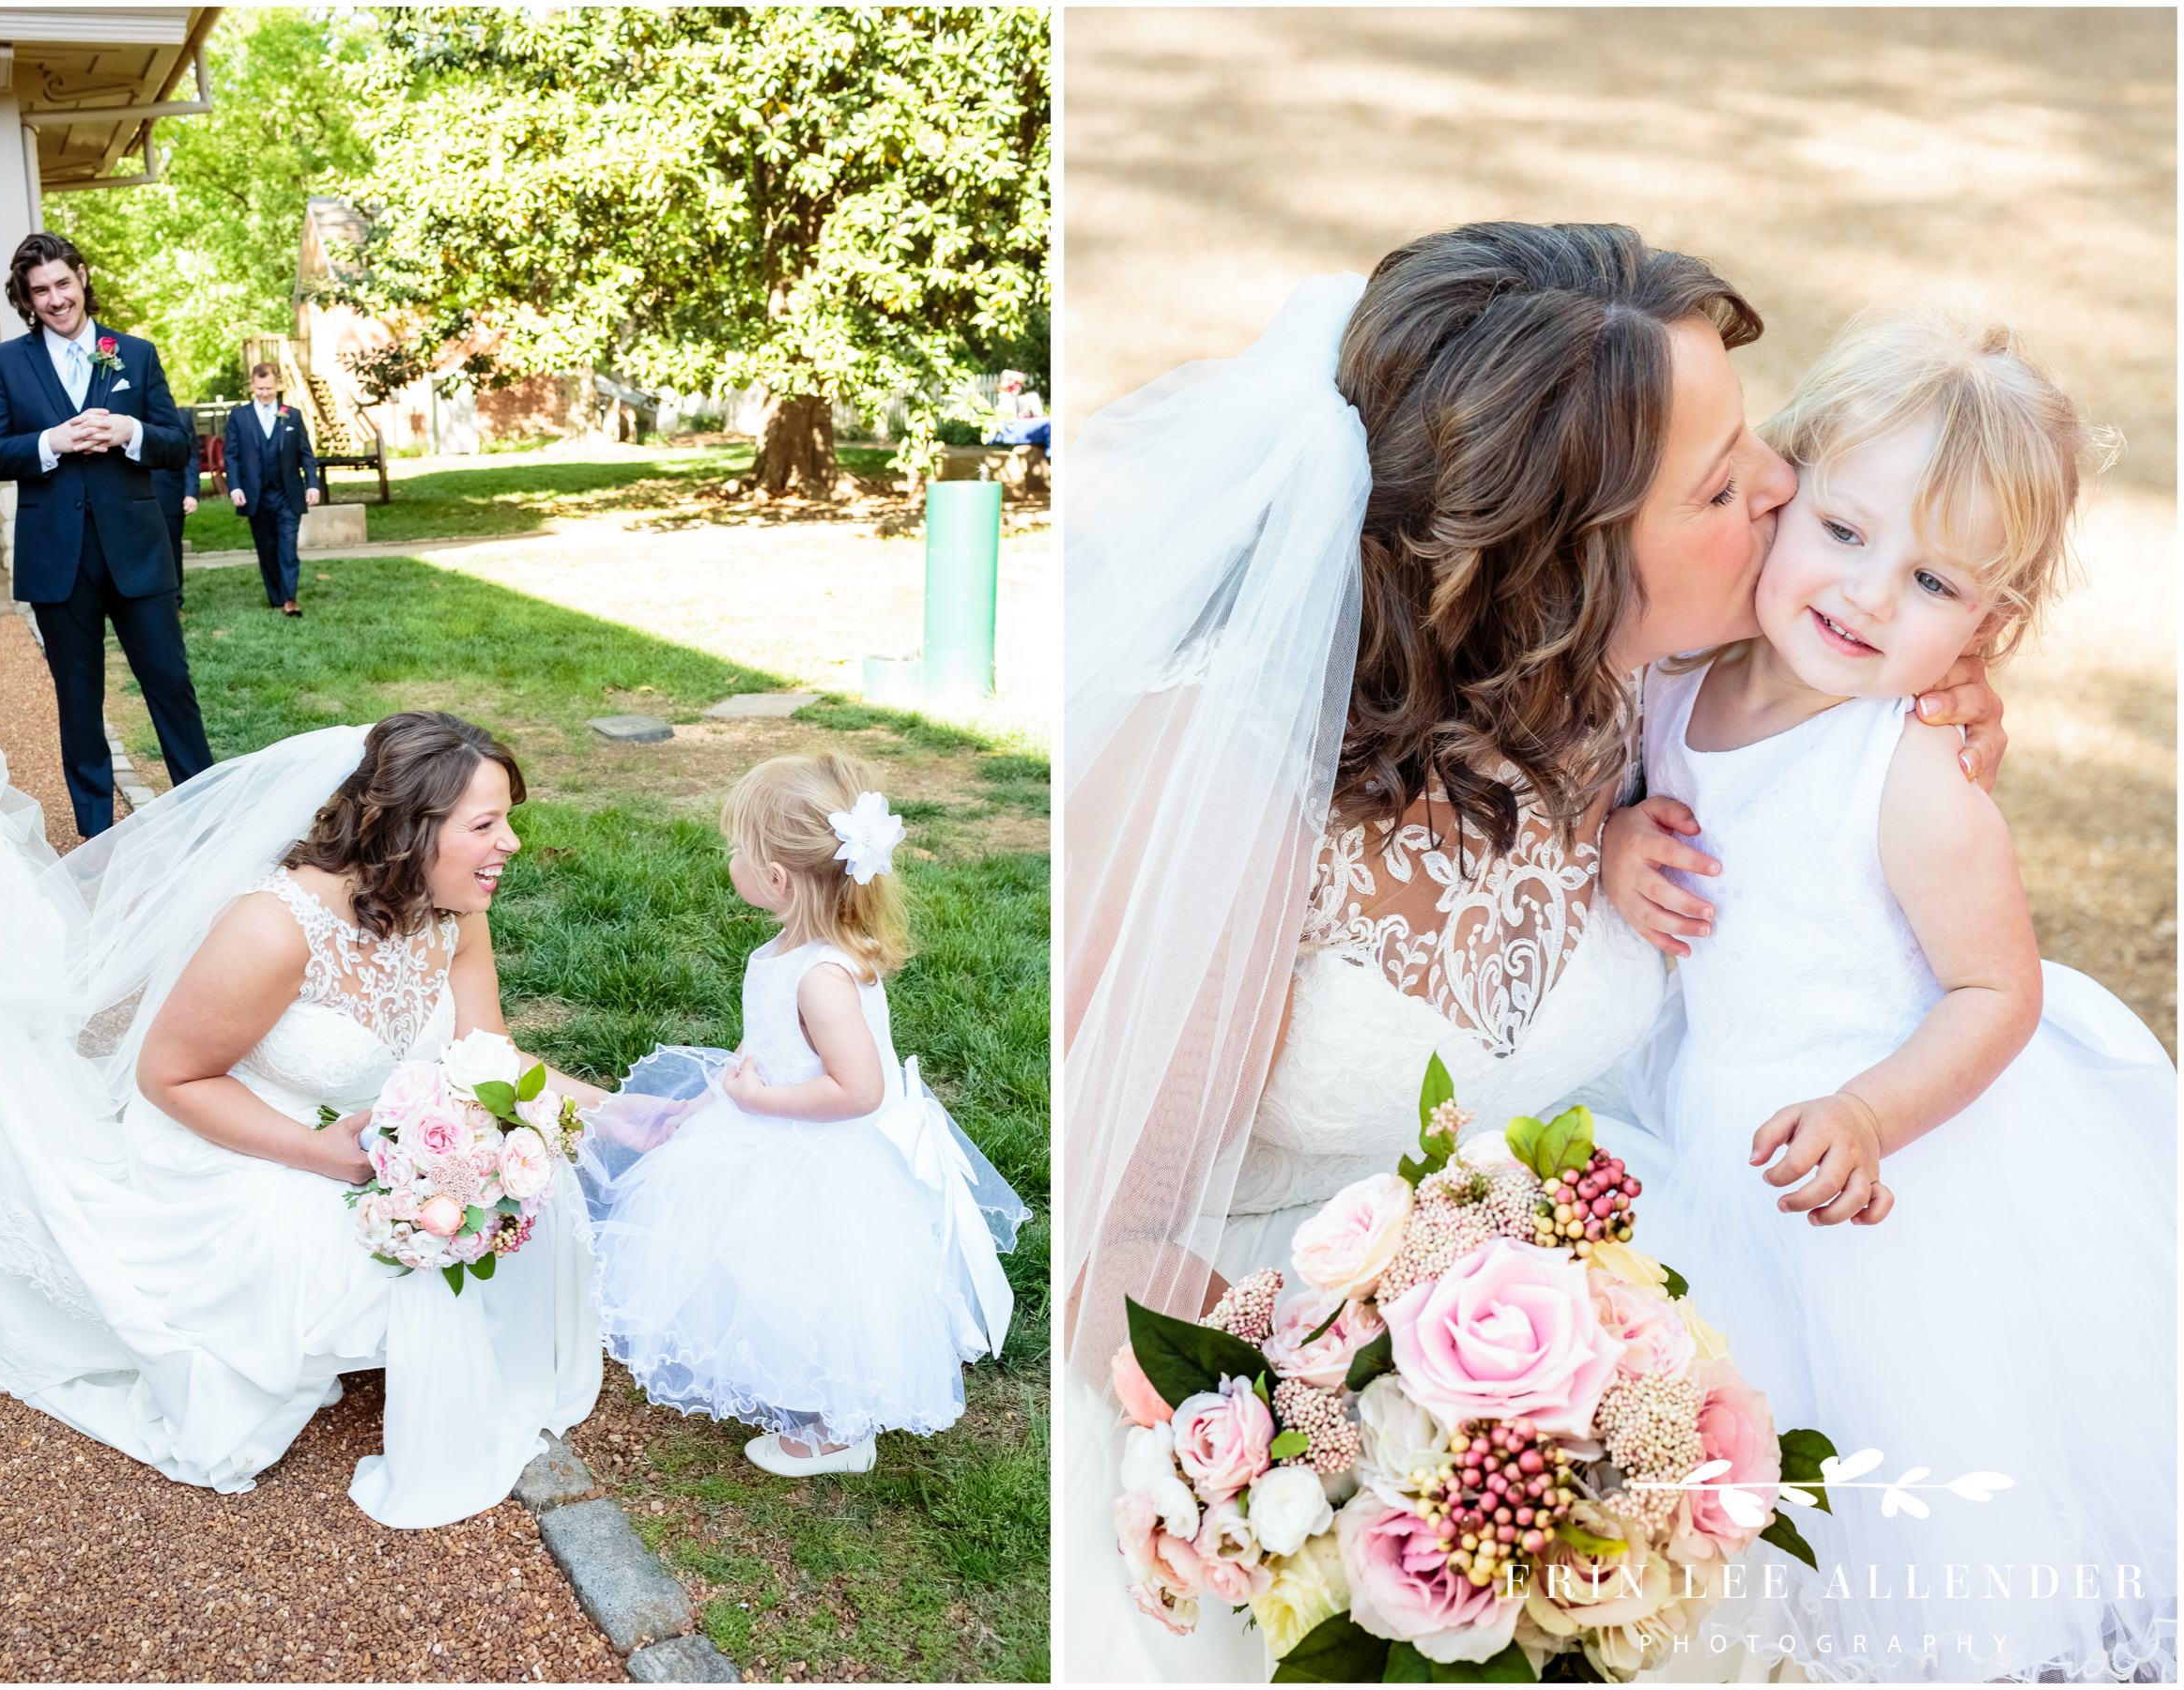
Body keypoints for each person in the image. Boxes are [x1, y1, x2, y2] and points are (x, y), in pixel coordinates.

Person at [1061, 223, 2010, 1681]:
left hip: (1590, 1350)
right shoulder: (1241, 778)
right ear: (1564, 569)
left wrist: (1958, 704)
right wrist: (1409, 1449)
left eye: (1757, 445)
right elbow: (1113, 1256)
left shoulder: (1650, 671)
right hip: (1285, 1422)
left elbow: (1897, 621)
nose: (1783, 490)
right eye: (1720, 483)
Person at [1592, 302, 2173, 1682]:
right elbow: (1627, 800)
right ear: (1782, 487)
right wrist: (1619, 842)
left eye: (1935, 584)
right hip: (1711, 1116)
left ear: (1994, 620)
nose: (1866, 597)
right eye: (1847, 535)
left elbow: (1994, 992)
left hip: (1886, 1159)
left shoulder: (1907, 776)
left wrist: (1868, 1113)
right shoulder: (1675, 683)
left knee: (1891, 1494)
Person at [0, 691, 605, 1529]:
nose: (509, 843)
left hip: (379, 1138)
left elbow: (488, 1057)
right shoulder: (273, 928)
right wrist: (316, 1152)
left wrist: (613, 1112)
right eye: (485, 825)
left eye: (508, 820)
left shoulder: (456, 910)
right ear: (408, 828)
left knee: (536, 1180)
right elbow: (173, 1079)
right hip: (244, 1141)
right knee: (374, 1259)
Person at [577, 753, 1028, 1477]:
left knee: (808, 1277)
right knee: (760, 1274)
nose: (730, 861)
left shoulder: (822, 975)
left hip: (813, 1153)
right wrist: (708, 1100)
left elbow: (858, 1089)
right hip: (770, 1125)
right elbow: (766, 1039)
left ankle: (835, 1430)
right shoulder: (790, 951)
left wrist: (759, 1101)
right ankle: (794, 1387)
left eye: (736, 851)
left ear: (776, 877)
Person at [0, 231, 216, 837]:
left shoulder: (134, 353)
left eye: (62, 283)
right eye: (40, 291)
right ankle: (97, 834)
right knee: (78, 701)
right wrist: (49, 444)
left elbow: (177, 444)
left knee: (170, 684)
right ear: (27, 300)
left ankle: (208, 818)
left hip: (136, 550)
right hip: (58, 558)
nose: (55, 299)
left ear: (82, 277)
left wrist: (129, 431)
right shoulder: (5, 364)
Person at [223, 361, 320, 617]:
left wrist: (312, 484)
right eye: (260, 388)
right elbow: (231, 456)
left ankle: (290, 600)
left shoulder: (293, 415)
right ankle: (276, 597)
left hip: (288, 495)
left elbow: (306, 455)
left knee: (288, 549)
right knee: (266, 549)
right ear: (252, 386)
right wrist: (234, 488)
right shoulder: (239, 416)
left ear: (277, 385)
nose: (265, 393)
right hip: (256, 496)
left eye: (269, 388)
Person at [150, 417, 201, 611]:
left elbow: (191, 458)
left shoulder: (182, 418)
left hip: (171, 493)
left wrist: (190, 493)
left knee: (172, 550)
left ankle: (175, 602)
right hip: (131, 494)